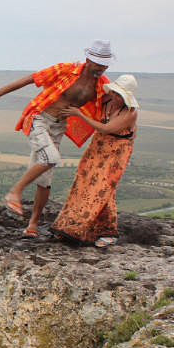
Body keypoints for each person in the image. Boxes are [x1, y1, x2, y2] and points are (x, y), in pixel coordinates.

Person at [0, 40, 116, 237]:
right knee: (50, 158)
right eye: (98, 64)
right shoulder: (65, 70)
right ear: (88, 59)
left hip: (58, 127)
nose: (102, 68)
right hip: (40, 119)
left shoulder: (102, 84)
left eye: (105, 65)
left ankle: (33, 226)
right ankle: (14, 193)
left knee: (45, 180)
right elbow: (31, 79)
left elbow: (113, 103)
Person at [50, 74, 139, 247]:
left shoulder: (130, 113)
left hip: (116, 153)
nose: (114, 97)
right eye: (114, 93)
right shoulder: (106, 100)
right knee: (83, 184)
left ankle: (107, 232)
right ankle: (70, 226)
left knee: (103, 189)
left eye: (119, 96)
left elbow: (105, 128)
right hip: (97, 148)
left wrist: (78, 114)